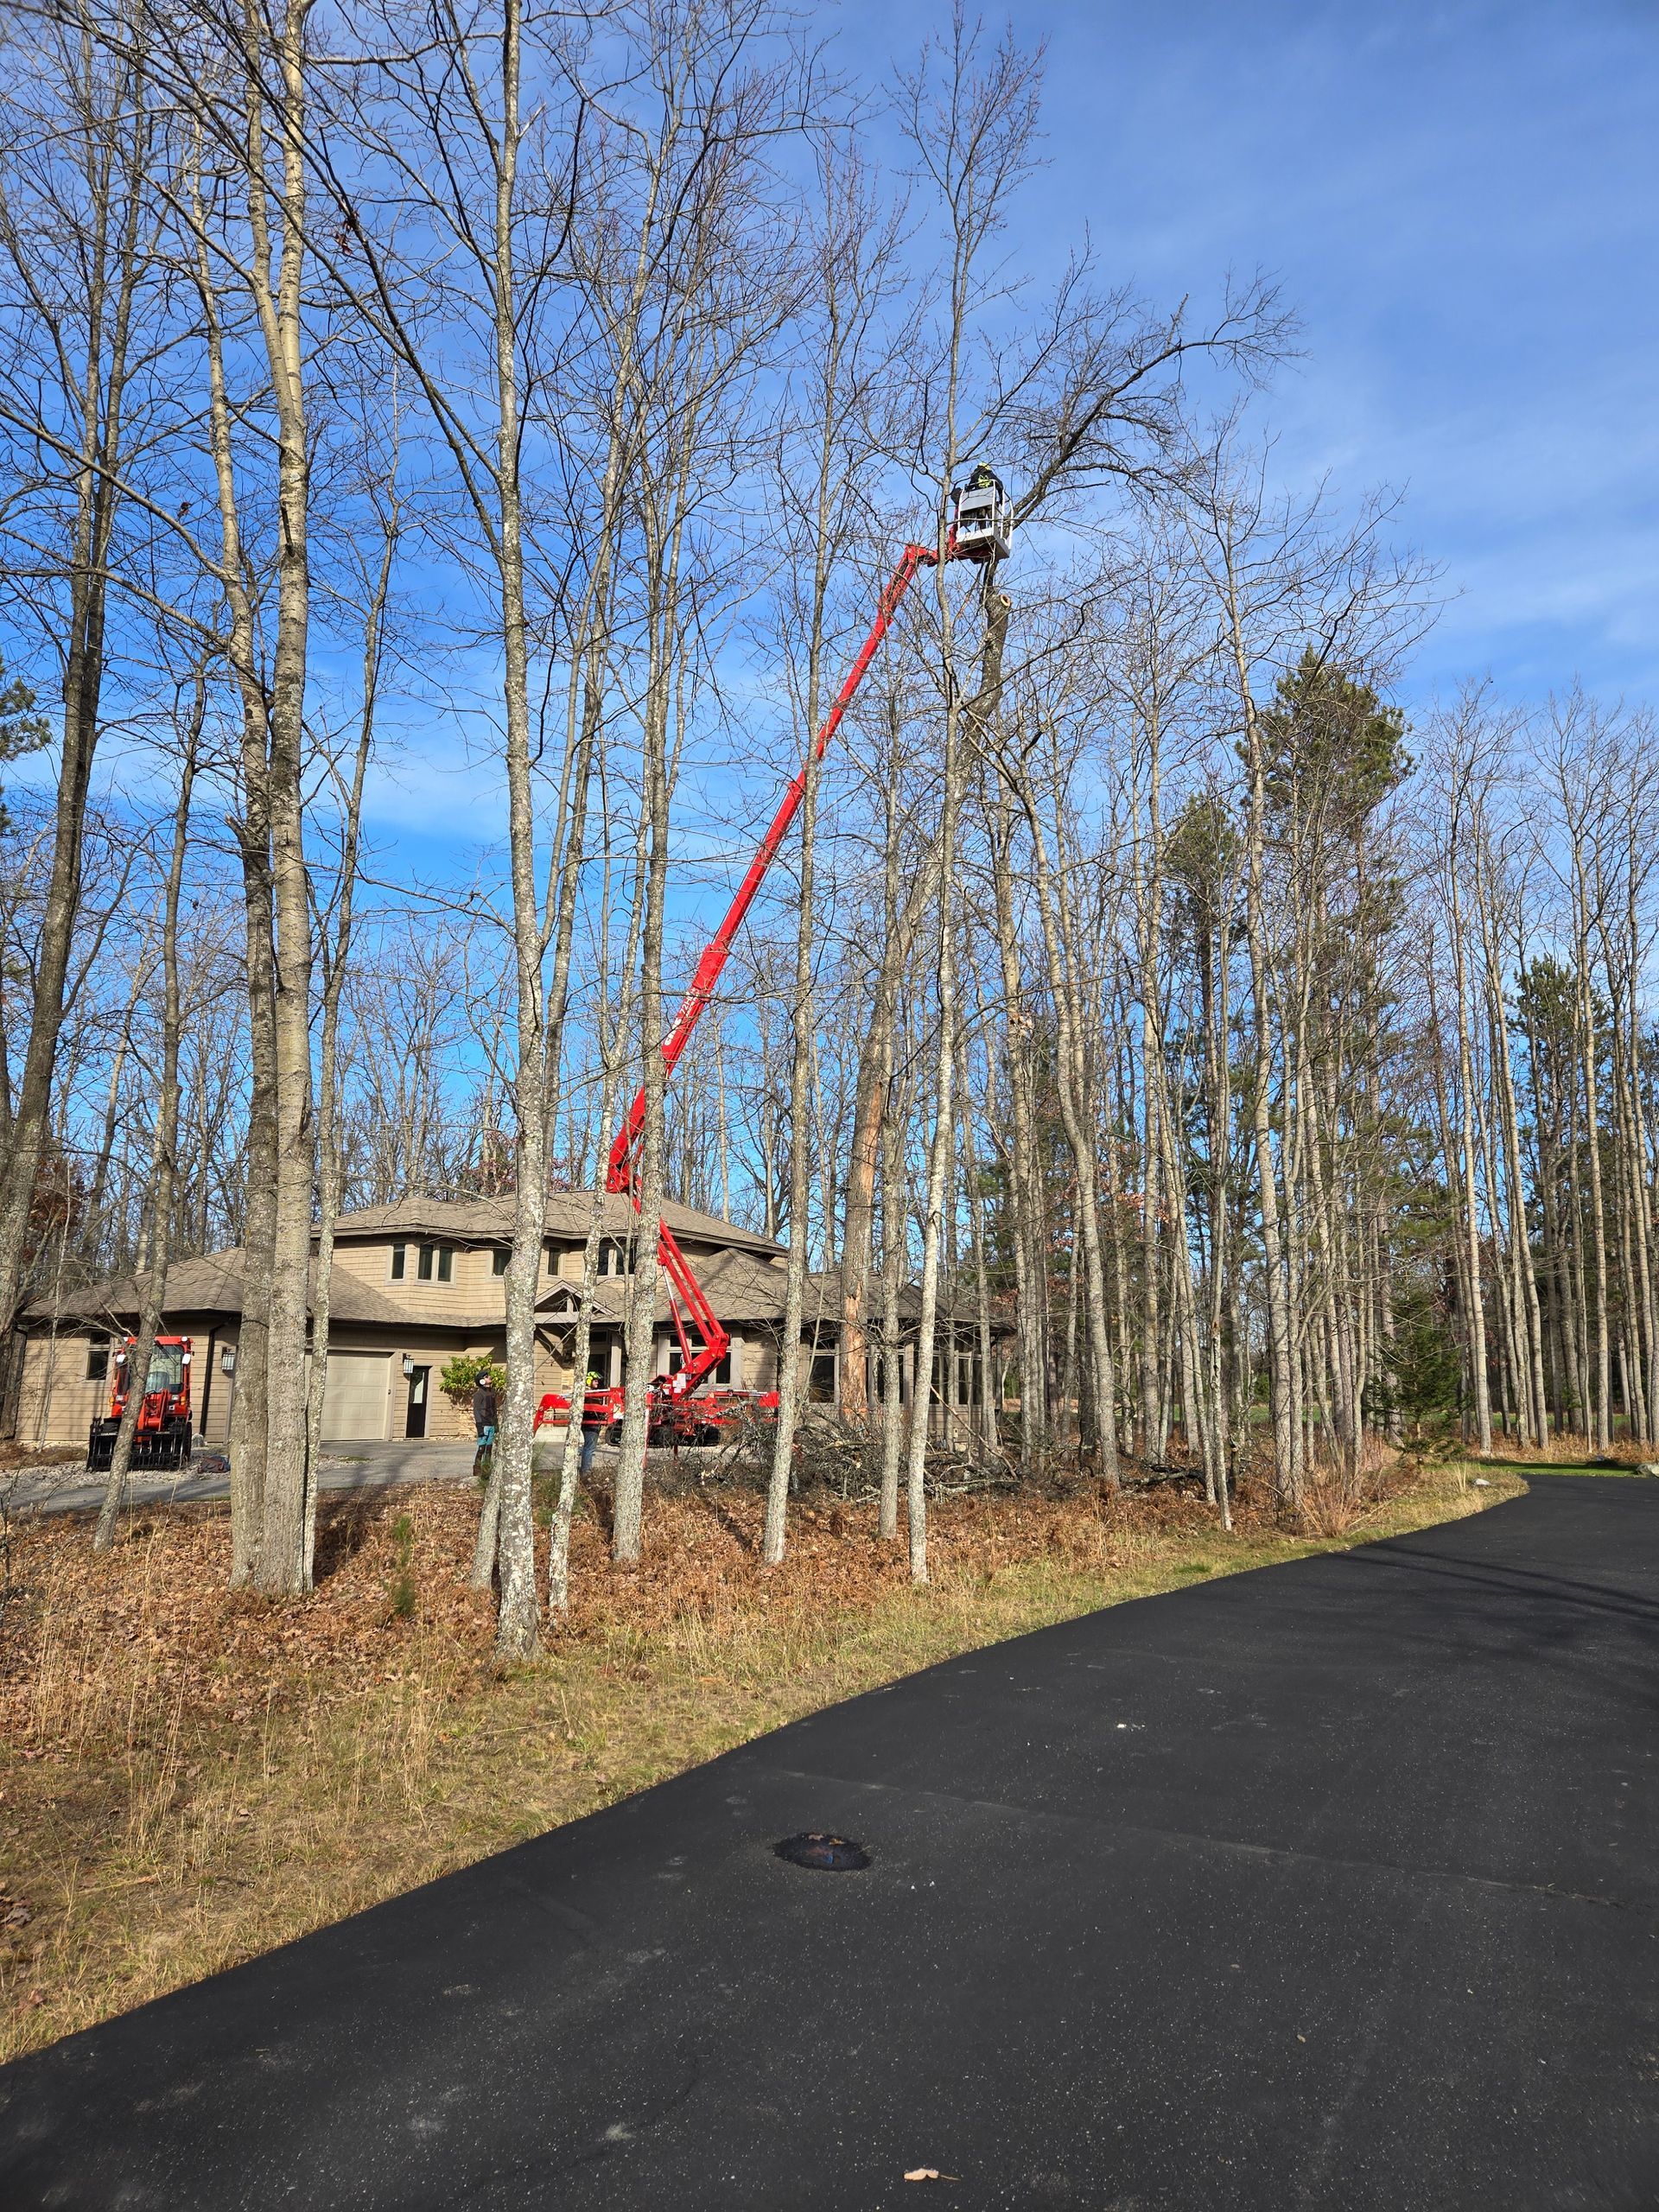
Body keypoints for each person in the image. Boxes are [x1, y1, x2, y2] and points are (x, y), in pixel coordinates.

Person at [472, 1364, 499, 1475]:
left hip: (491, 1424)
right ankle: (477, 1470)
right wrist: (479, 1426)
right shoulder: (479, 1394)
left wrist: (497, 1425)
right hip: (483, 1425)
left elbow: (494, 1409)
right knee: (481, 1448)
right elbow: (476, 1410)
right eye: (487, 1376)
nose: (489, 1377)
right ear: (482, 1381)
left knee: (489, 1449)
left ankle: (486, 1470)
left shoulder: (492, 1393)